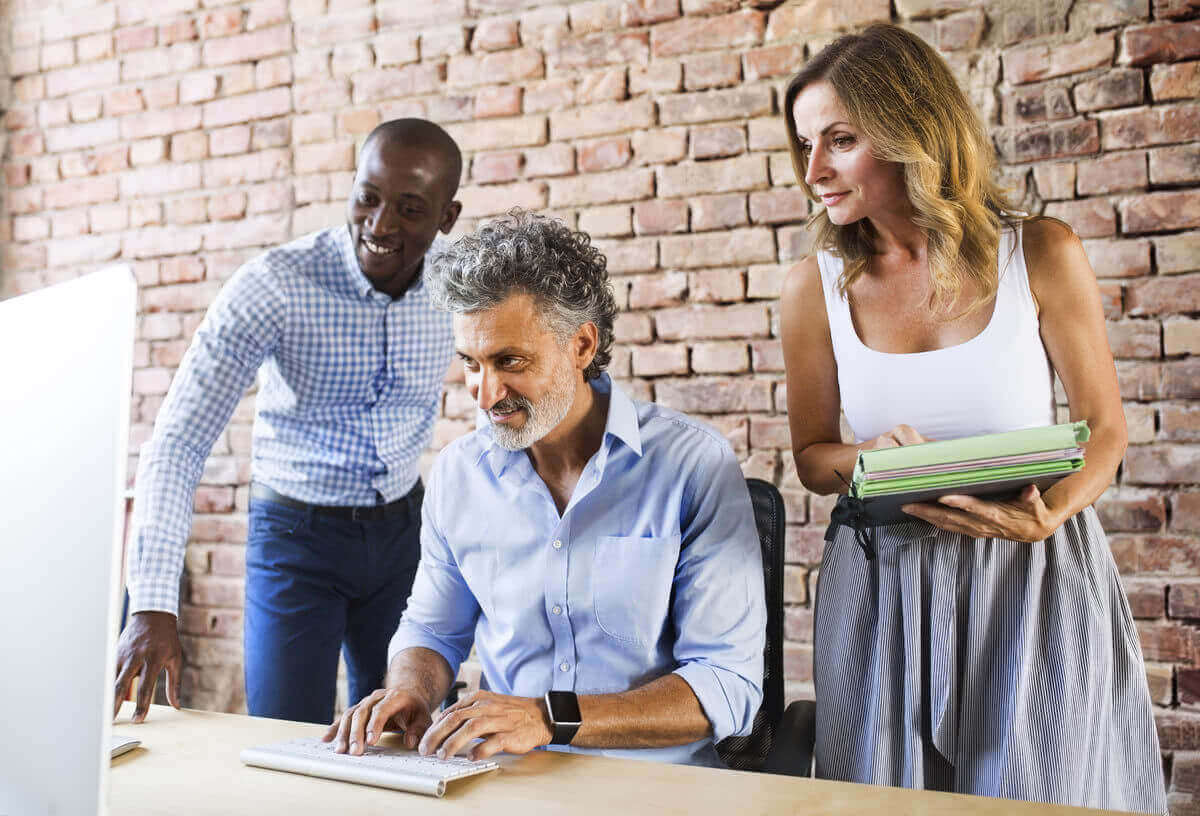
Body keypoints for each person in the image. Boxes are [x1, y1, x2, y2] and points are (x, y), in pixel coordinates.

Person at [778, 24, 1166, 813]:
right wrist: (866, 454)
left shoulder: (1041, 252)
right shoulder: (813, 287)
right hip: (883, 577)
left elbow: (1105, 430)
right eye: (806, 144)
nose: (814, 169)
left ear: (912, 131)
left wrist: (1048, 514)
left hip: (1030, 571)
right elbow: (813, 459)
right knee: (880, 801)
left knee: (1044, 795)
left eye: (841, 140)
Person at [323, 210, 765, 766]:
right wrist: (410, 688)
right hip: (505, 782)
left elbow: (727, 685)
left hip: (654, 791)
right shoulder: (458, 474)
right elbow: (433, 629)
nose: (484, 395)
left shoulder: (693, 466)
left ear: (581, 346)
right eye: (471, 363)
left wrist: (548, 717)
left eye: (509, 361)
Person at [113, 118, 464, 726]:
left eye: (409, 209)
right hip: (296, 541)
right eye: (368, 198)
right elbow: (177, 441)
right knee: (283, 738)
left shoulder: (460, 287)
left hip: (406, 539)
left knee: (409, 737)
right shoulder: (274, 285)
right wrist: (150, 605)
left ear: (446, 218)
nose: (380, 225)